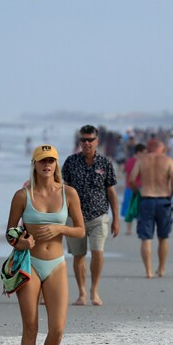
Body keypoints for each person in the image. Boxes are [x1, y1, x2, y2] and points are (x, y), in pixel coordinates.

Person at [6, 144, 85, 345]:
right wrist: (20, 242)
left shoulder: (69, 193)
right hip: (30, 264)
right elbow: (10, 232)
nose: (47, 165)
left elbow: (80, 230)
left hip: (56, 264)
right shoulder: (22, 195)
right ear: (35, 164)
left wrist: (59, 229)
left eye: (51, 161)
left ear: (56, 165)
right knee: (30, 327)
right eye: (42, 161)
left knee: (58, 329)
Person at [62, 125, 119, 305]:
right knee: (78, 255)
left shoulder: (105, 163)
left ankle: (94, 290)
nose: (86, 143)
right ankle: (81, 293)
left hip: (98, 216)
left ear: (97, 141)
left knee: (97, 253)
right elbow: (62, 189)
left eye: (90, 140)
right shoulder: (71, 162)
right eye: (83, 140)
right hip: (75, 217)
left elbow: (111, 192)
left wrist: (116, 218)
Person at [129, 139, 173, 278]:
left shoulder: (141, 160)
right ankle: (162, 268)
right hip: (163, 200)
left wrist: (136, 192)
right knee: (163, 237)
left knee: (146, 238)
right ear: (162, 149)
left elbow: (132, 179)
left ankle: (149, 271)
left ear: (150, 148)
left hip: (146, 199)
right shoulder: (169, 160)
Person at [120, 143, 146, 235]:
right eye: (144, 152)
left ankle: (128, 230)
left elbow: (125, 172)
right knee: (141, 209)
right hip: (139, 187)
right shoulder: (142, 162)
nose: (145, 154)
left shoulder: (128, 161)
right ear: (138, 152)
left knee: (129, 209)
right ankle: (139, 229)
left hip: (129, 187)